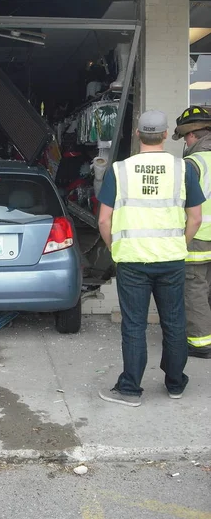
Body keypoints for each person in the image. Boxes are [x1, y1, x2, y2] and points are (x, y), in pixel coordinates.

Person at [97, 110, 204, 406]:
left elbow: (104, 221)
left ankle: (130, 389)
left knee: (134, 325)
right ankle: (175, 383)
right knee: (174, 321)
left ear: (137, 134)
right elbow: (195, 218)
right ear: (167, 134)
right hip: (171, 259)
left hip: (132, 260)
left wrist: (113, 248)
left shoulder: (120, 170)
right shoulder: (183, 169)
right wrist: (179, 243)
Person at [172, 106, 211, 359]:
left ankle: (200, 342)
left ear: (194, 135)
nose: (185, 142)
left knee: (195, 287)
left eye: (186, 137)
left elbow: (181, 203)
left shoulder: (192, 164)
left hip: (199, 235)